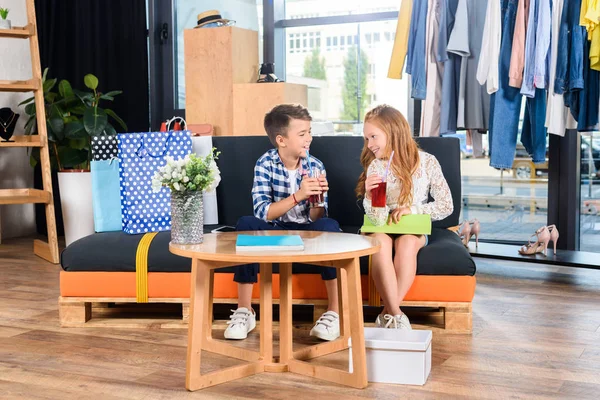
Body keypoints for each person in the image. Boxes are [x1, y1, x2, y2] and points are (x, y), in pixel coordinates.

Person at [225, 104, 341, 341]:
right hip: (276, 230)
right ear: (281, 140)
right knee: (246, 224)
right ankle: (244, 310)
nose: (309, 138)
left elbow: (317, 218)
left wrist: (316, 201)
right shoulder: (265, 163)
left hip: (306, 231)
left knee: (330, 227)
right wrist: (298, 195)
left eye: (309, 132)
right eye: (302, 134)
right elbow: (263, 212)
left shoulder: (315, 165)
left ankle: (334, 312)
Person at [356, 105, 453, 329]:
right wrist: (371, 197)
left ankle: (387, 312)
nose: (369, 145)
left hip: (412, 225)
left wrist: (413, 209)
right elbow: (378, 221)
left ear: (393, 132)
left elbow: (446, 205)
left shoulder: (427, 162)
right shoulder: (375, 166)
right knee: (379, 242)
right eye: (366, 138)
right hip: (382, 224)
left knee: (408, 243)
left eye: (373, 137)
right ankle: (397, 314)